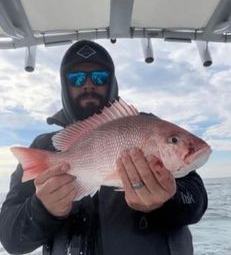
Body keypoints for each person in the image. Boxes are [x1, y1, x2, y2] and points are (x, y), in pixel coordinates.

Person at [0, 40, 208, 255]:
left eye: (99, 77)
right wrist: (43, 209)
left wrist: (166, 201)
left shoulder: (150, 126)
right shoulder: (45, 147)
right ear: (65, 85)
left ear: (112, 82)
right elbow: (10, 239)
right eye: (77, 78)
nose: (88, 84)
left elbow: (197, 202)